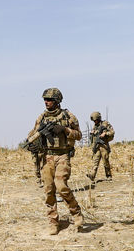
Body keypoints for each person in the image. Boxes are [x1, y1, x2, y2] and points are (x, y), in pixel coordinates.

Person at [28, 87, 85, 234]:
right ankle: (53, 222)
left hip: (62, 156)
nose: (46, 102)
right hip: (47, 157)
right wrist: (33, 145)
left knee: (61, 186)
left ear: (57, 101)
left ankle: (76, 213)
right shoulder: (42, 118)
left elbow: (79, 135)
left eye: (50, 100)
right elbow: (33, 134)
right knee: (49, 191)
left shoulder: (68, 116)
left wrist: (65, 130)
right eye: (45, 100)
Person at [86, 111, 114, 183]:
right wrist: (93, 133)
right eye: (94, 121)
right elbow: (93, 138)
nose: (95, 122)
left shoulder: (105, 124)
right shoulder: (95, 126)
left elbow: (112, 132)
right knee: (95, 161)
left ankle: (108, 176)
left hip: (104, 146)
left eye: (96, 120)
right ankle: (92, 175)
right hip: (97, 146)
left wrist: (105, 133)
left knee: (105, 161)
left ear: (98, 118)